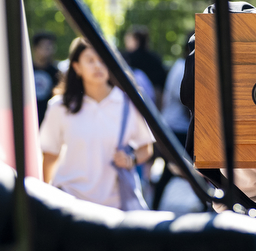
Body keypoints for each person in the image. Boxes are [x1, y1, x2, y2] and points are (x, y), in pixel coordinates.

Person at [41, 37, 154, 209]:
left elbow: (146, 148)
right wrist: (46, 198)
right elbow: (50, 156)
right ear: (76, 67)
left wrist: (130, 160)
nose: (97, 66)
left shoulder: (128, 103)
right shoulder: (60, 106)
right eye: (90, 60)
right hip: (70, 202)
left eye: (102, 60)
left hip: (115, 207)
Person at [121, 26, 168, 101]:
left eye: (128, 39)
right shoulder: (155, 58)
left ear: (136, 40)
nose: (125, 42)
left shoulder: (126, 59)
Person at [31, 32, 58, 123]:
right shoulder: (26, 70)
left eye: (50, 47)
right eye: (44, 46)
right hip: (30, 117)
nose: (48, 50)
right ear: (36, 48)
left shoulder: (56, 73)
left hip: (49, 119)